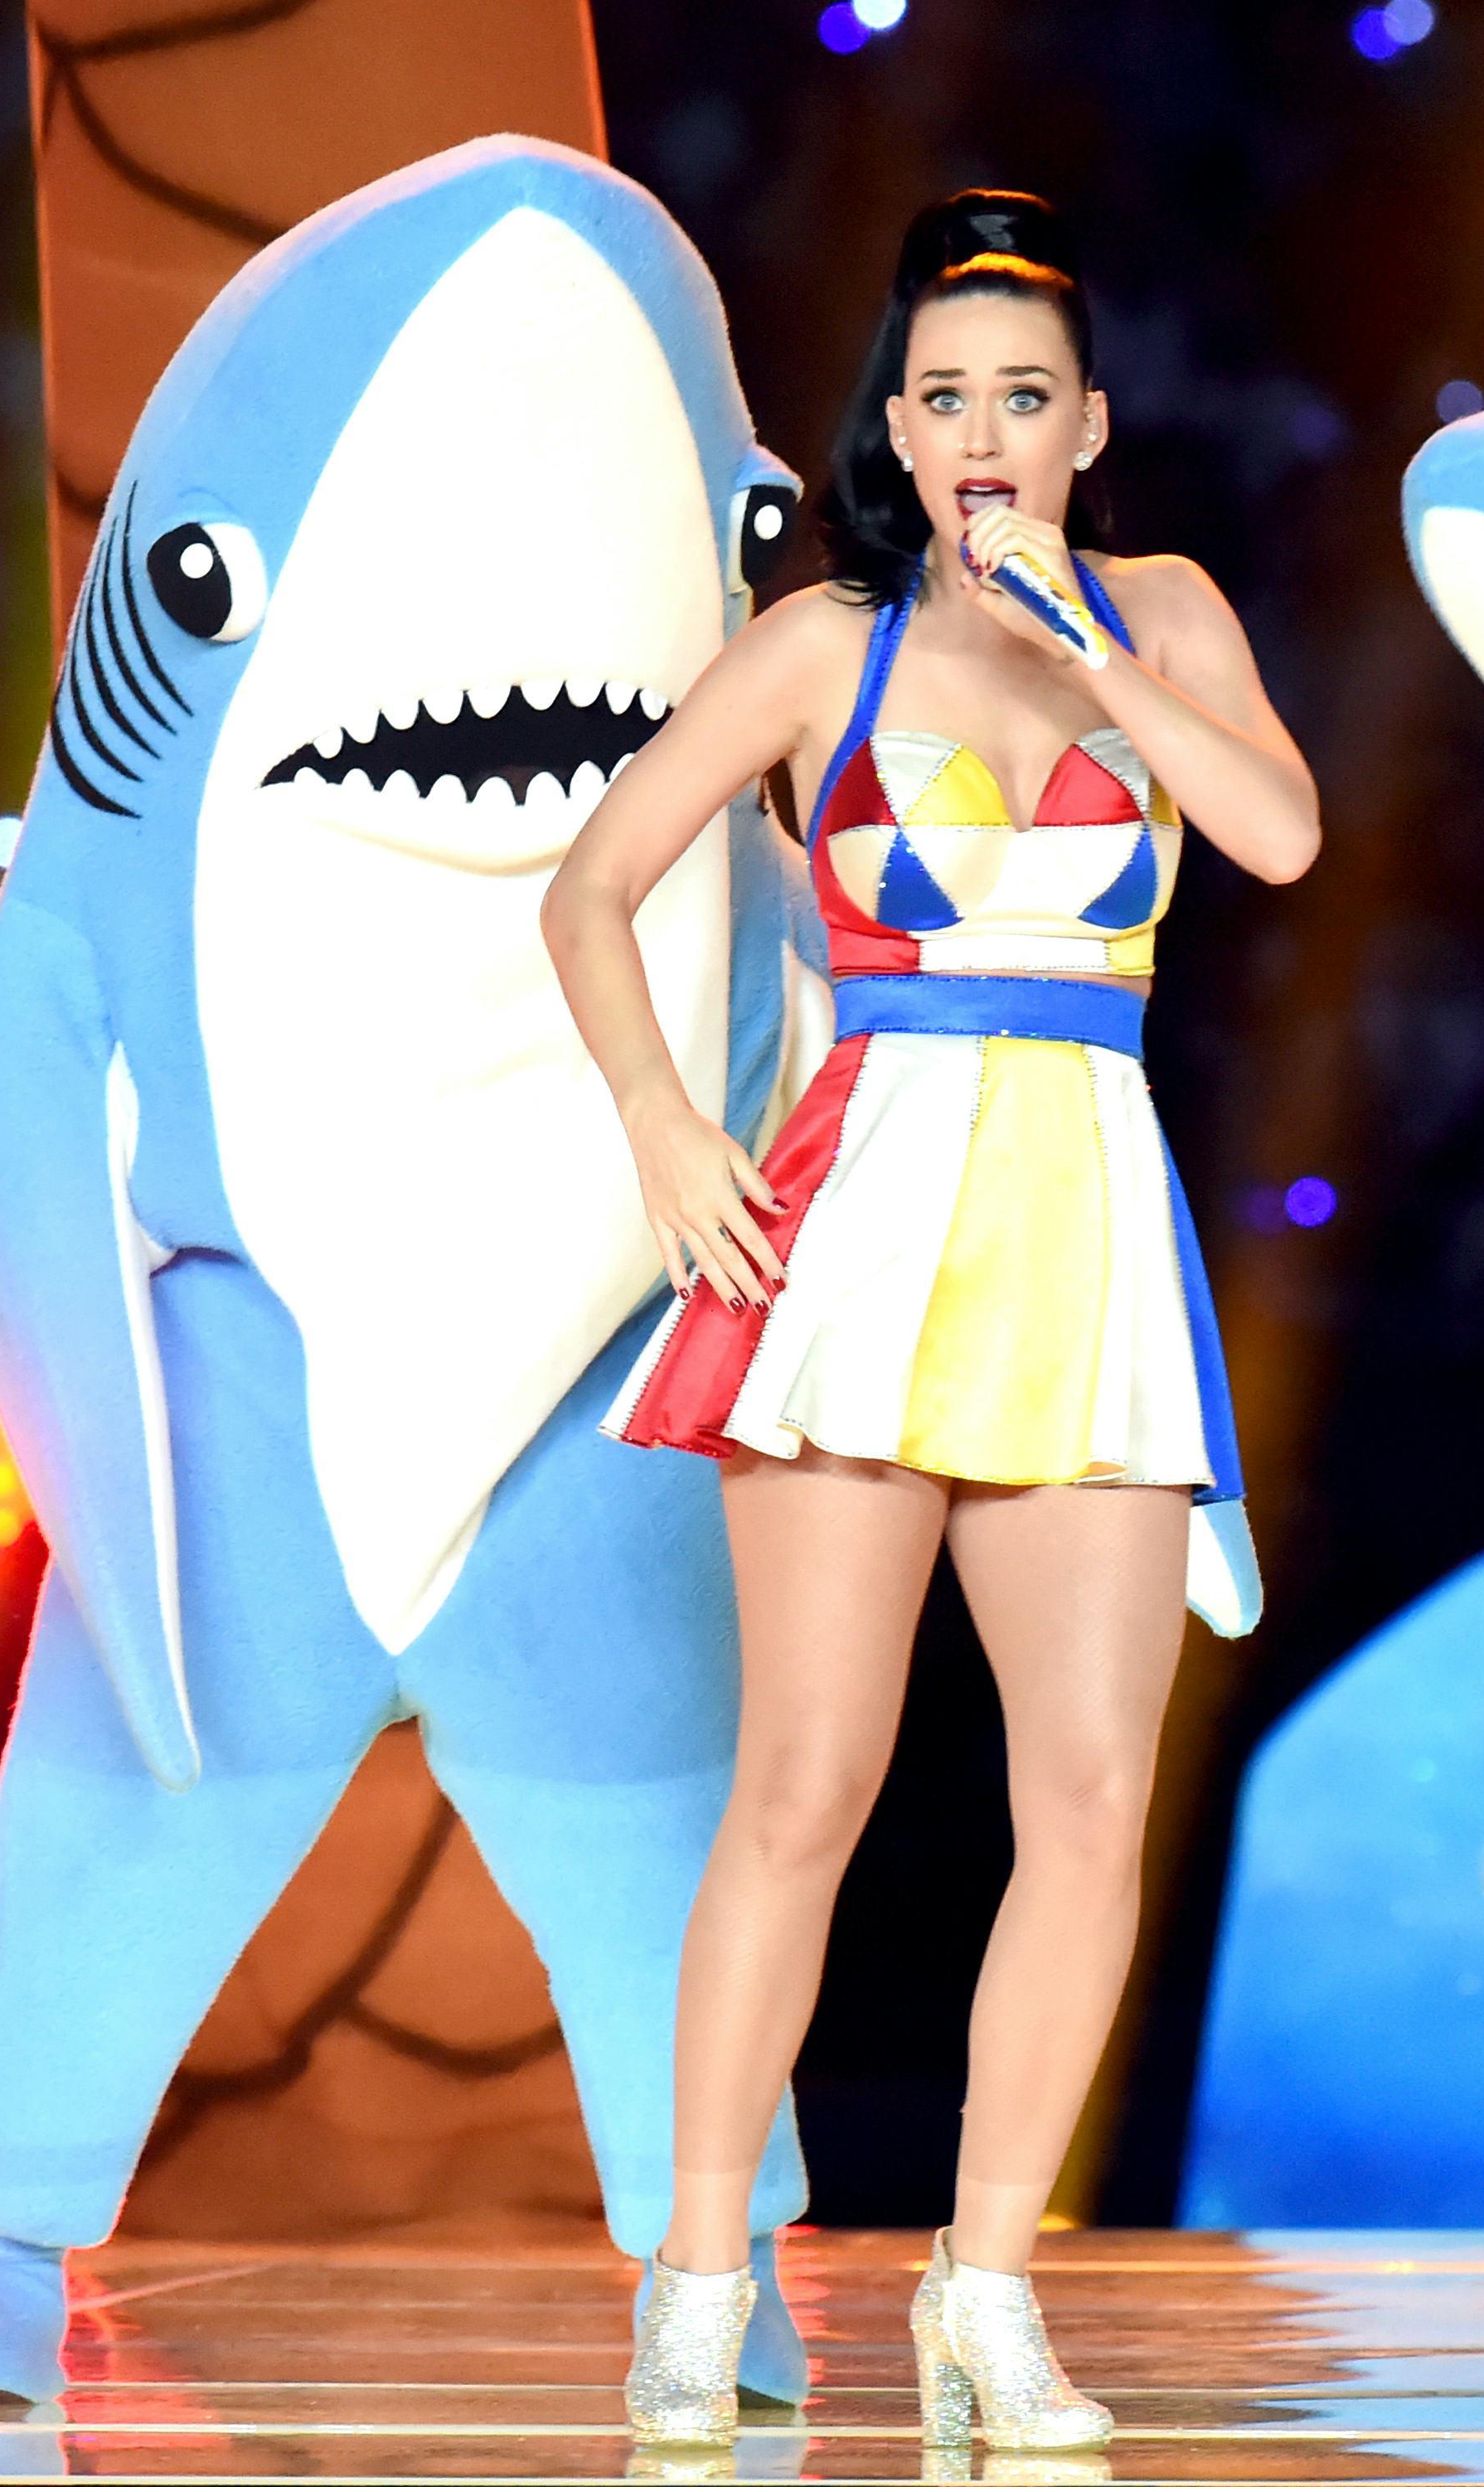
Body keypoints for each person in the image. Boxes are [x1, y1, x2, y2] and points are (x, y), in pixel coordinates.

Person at [542, 190, 1318, 2453]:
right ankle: (699, 2277)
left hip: (1083, 1234)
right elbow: (596, 886)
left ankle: (987, 2287)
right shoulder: (819, 646)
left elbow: (1270, 836)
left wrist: (1090, 649)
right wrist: (671, 1136)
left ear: (1088, 425)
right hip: (857, 1228)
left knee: (1087, 1797)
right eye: (943, 395)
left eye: (1022, 397)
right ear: (895, 423)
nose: (981, 431)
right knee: (807, 1781)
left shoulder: (1158, 613)